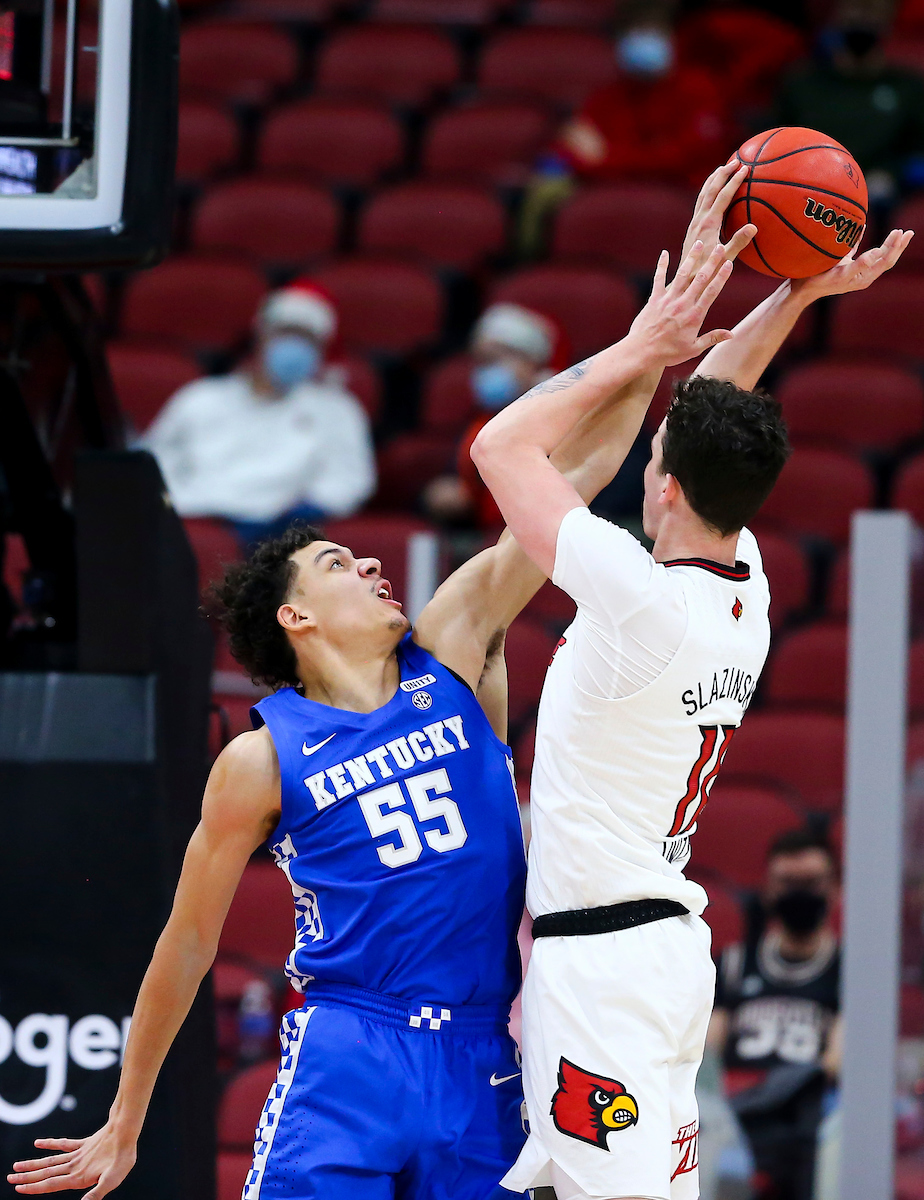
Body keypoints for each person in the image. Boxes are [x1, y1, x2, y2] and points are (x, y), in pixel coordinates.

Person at [6, 270, 675, 1198]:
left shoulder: (452, 651)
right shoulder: (260, 755)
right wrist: (125, 1120)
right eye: (337, 563)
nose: (368, 562)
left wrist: (645, 349)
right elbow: (187, 942)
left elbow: (573, 483)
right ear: (296, 619)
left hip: (485, 1052)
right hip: (349, 1047)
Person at [471, 159, 911, 1200]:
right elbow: (716, 407)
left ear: (662, 485)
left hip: (607, 973)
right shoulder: (744, 579)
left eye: (657, 441)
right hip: (653, 954)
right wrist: (797, 290)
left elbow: (500, 447)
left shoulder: (638, 597)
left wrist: (639, 344)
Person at [141, 278, 377, 548]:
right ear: (261, 336)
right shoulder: (201, 397)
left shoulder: (337, 409)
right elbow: (155, 462)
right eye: (286, 333)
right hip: (193, 522)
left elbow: (348, 479)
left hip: (277, 534)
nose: (294, 347)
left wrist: (299, 517)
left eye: (307, 339)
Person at [709, 829, 841, 1200]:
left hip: (810, 1127)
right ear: (767, 889)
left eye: (811, 882)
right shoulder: (734, 965)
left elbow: (835, 1063)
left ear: (833, 888)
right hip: (735, 1124)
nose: (799, 893)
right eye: (787, 883)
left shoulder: (849, 973)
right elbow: (707, 1056)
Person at [423, 303, 567, 530]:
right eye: (480, 362)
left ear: (532, 362)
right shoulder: (481, 423)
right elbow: (461, 486)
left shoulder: (569, 417)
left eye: (494, 361)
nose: (484, 372)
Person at [775, 7, 924, 202]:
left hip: (881, 192)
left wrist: (894, 174)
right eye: (853, 9)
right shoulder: (803, 84)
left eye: (869, 8)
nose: (860, 18)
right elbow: (777, 141)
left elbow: (918, 152)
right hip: (809, 183)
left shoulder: (907, 87)